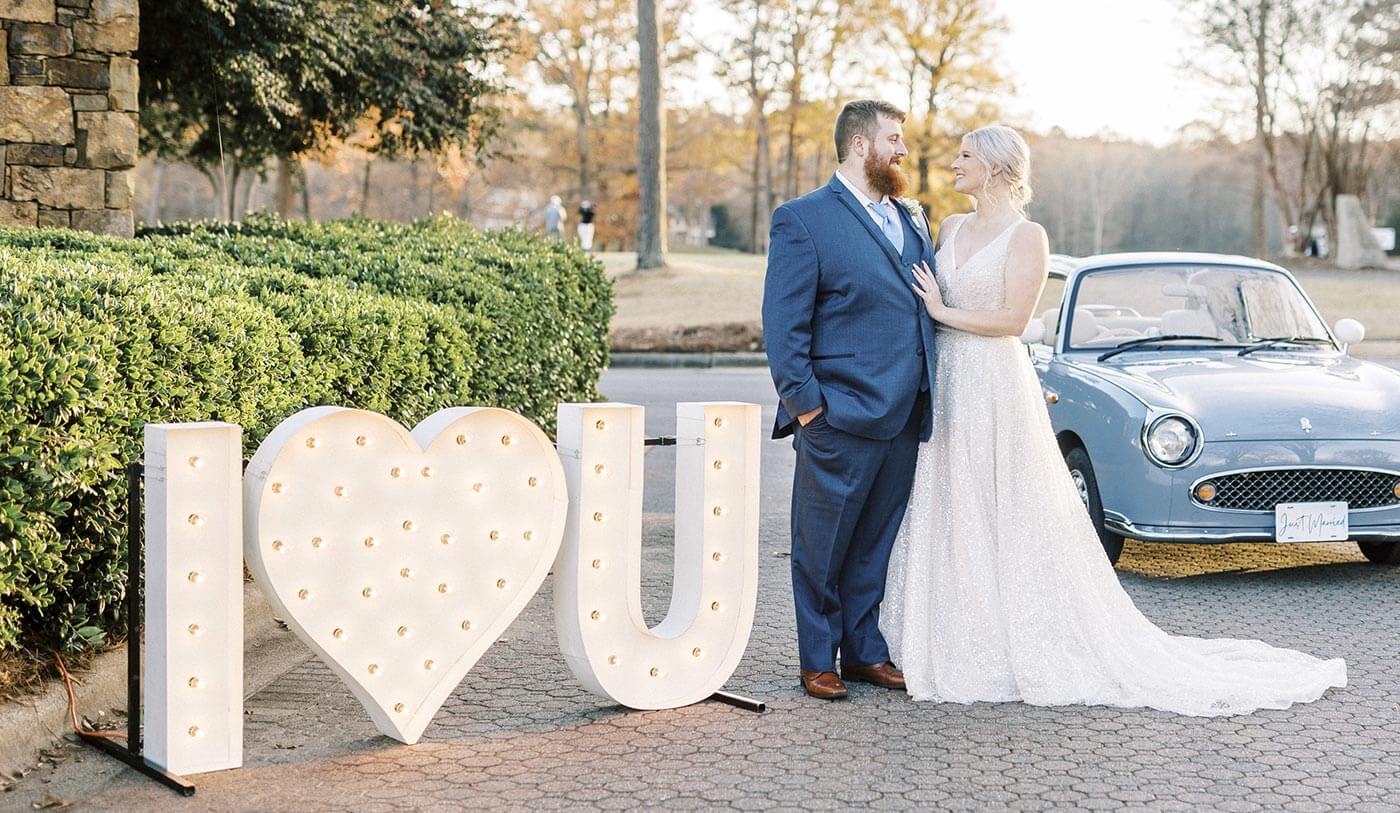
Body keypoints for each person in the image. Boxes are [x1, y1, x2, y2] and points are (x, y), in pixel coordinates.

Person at [881, 124, 1347, 715]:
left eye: (966, 155)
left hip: (994, 382)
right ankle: (944, 631)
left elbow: (1012, 321)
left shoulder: (1028, 237)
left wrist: (943, 310)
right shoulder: (948, 227)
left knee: (1002, 501)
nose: (955, 163)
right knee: (951, 498)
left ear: (996, 168)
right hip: (950, 382)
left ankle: (1014, 635)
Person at [762, 100, 937, 700]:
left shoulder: (912, 218)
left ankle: (864, 651)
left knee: (873, 544)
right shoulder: (802, 219)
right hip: (838, 415)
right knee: (821, 547)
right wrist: (810, 407)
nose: (902, 151)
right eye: (893, 139)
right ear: (860, 145)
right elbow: (784, 327)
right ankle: (818, 659)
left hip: (905, 414)